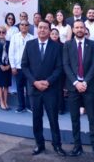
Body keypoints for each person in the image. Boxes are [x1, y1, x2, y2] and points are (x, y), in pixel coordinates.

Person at [21, 20, 66, 156]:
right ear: (37, 29)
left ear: (49, 30)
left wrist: (47, 82)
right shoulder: (29, 45)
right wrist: (34, 82)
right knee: (36, 118)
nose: (42, 30)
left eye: (45, 28)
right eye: (40, 27)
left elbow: (59, 68)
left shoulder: (57, 47)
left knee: (53, 119)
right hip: (35, 89)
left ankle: (57, 145)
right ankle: (39, 144)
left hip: (50, 89)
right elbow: (24, 66)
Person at [63, 20, 94, 157]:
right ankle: (77, 146)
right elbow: (66, 65)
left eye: (81, 27)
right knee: (75, 119)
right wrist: (76, 82)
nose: (79, 29)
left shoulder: (92, 44)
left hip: (89, 87)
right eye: (77, 27)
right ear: (73, 30)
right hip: (73, 88)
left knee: (92, 118)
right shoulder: (67, 45)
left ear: (85, 29)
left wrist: (85, 82)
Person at [9, 19, 35, 113]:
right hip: (18, 67)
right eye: (22, 24)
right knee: (19, 88)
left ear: (28, 27)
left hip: (29, 68)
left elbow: (34, 54)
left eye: (26, 25)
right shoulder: (14, 37)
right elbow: (11, 52)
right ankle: (21, 106)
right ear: (19, 26)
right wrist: (13, 66)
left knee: (29, 88)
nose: (24, 26)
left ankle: (29, 106)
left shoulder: (32, 38)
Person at [50, 28, 67, 115]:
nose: (54, 35)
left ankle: (61, 108)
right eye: (52, 34)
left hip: (60, 71)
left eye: (56, 34)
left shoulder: (62, 45)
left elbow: (64, 59)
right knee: (51, 90)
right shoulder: (47, 45)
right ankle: (52, 108)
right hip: (49, 72)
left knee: (60, 90)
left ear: (58, 35)